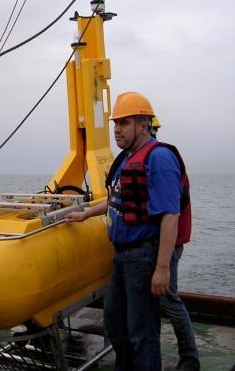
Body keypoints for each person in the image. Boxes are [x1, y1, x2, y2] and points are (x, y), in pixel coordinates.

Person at [66, 92, 193, 370]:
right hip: (123, 257)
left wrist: (162, 268)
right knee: (116, 323)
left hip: (143, 257)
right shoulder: (127, 159)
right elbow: (117, 198)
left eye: (124, 123)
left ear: (143, 125)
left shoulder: (158, 159)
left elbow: (170, 215)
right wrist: (86, 213)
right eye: (116, 124)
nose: (117, 130)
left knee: (142, 332)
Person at [151, 117, 199, 370]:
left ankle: (190, 357)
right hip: (165, 241)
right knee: (160, 299)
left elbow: (170, 210)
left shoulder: (162, 160)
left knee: (168, 298)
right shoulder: (162, 157)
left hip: (169, 242)